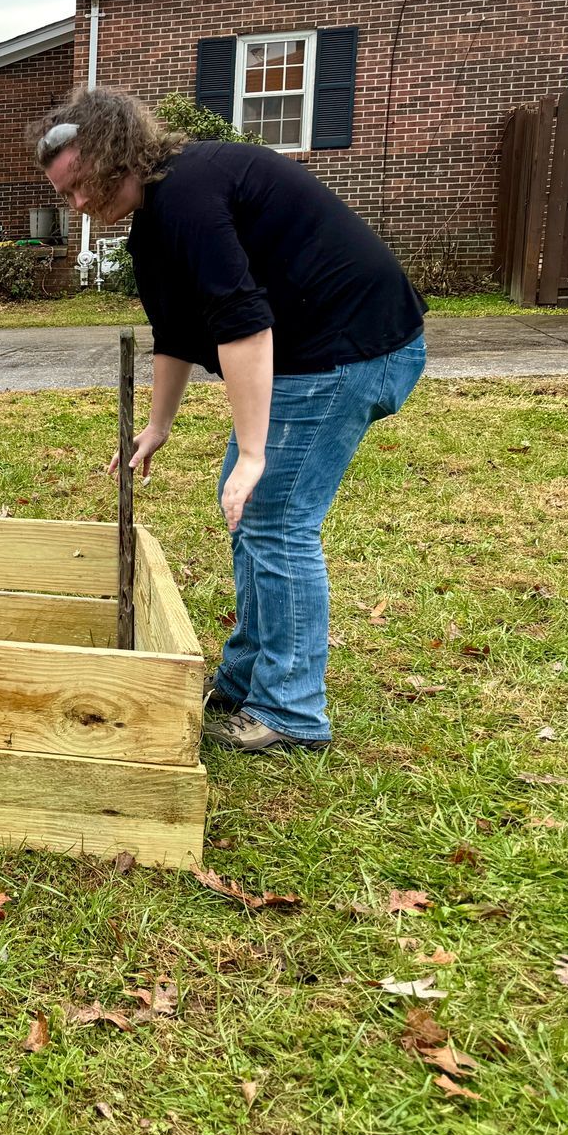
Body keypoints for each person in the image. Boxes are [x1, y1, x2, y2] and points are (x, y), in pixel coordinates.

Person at [31, 87, 426, 754]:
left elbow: (244, 322)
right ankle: (247, 677)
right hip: (317, 352)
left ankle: (293, 714)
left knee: (273, 516)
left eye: (78, 186)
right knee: (249, 511)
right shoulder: (153, 221)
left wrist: (252, 453)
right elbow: (177, 333)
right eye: (65, 194)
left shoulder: (190, 193)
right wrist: (158, 427)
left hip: (353, 350)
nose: (76, 206)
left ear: (111, 155)